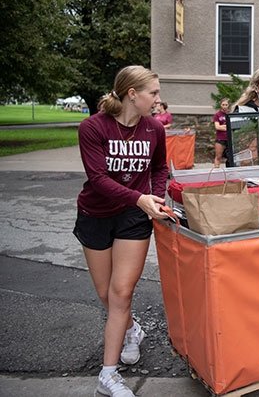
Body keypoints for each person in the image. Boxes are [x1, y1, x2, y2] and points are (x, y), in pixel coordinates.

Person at [73, 65, 169, 397]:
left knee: (121, 294)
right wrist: (140, 197)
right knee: (106, 294)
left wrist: (153, 196)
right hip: (96, 214)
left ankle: (108, 376)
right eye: (153, 93)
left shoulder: (155, 129)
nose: (158, 100)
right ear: (132, 94)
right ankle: (132, 330)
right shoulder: (92, 127)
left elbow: (159, 167)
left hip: (133, 217)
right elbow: (98, 180)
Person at [212, 98, 230, 168]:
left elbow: (232, 125)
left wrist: (223, 126)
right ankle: (216, 170)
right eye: (223, 104)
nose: (224, 106)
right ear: (220, 105)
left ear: (228, 105)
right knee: (218, 156)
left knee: (230, 157)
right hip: (220, 138)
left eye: (226, 105)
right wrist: (226, 127)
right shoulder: (217, 115)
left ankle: (230, 172)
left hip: (229, 138)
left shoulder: (229, 114)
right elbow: (217, 127)